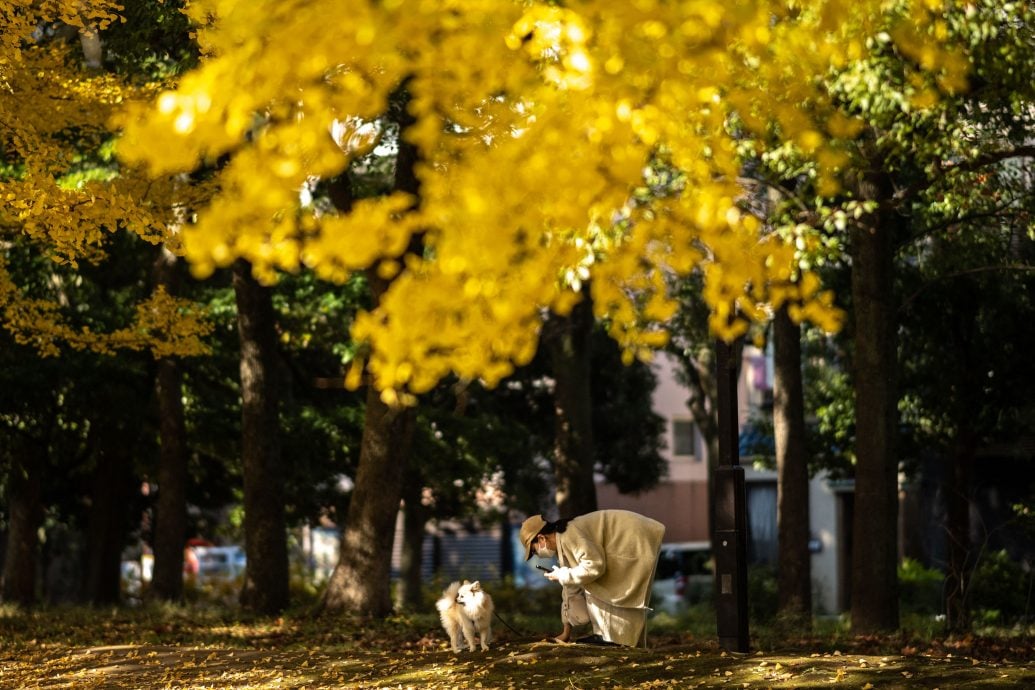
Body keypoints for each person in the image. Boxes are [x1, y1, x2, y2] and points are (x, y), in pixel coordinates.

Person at [519, 510, 665, 647]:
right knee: (599, 590)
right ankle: (618, 643)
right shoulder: (561, 542)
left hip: (633, 537)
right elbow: (571, 587)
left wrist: (563, 575)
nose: (537, 555)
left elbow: (595, 567)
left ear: (541, 538)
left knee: (612, 593)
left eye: (534, 550)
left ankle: (617, 644)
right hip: (630, 538)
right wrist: (566, 632)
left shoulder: (570, 535)